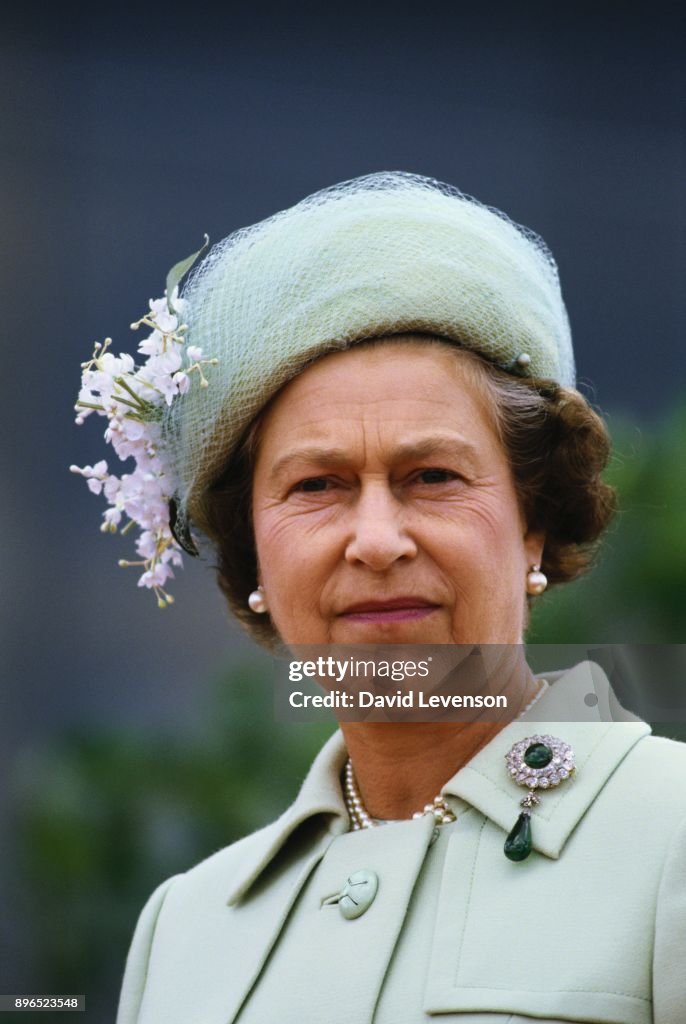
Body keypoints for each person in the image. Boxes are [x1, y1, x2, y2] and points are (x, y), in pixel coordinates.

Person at [74, 173, 686, 1023]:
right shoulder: (188, 928)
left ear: (534, 522)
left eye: (431, 476)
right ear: (253, 550)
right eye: (317, 485)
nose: (375, 539)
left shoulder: (669, 837)